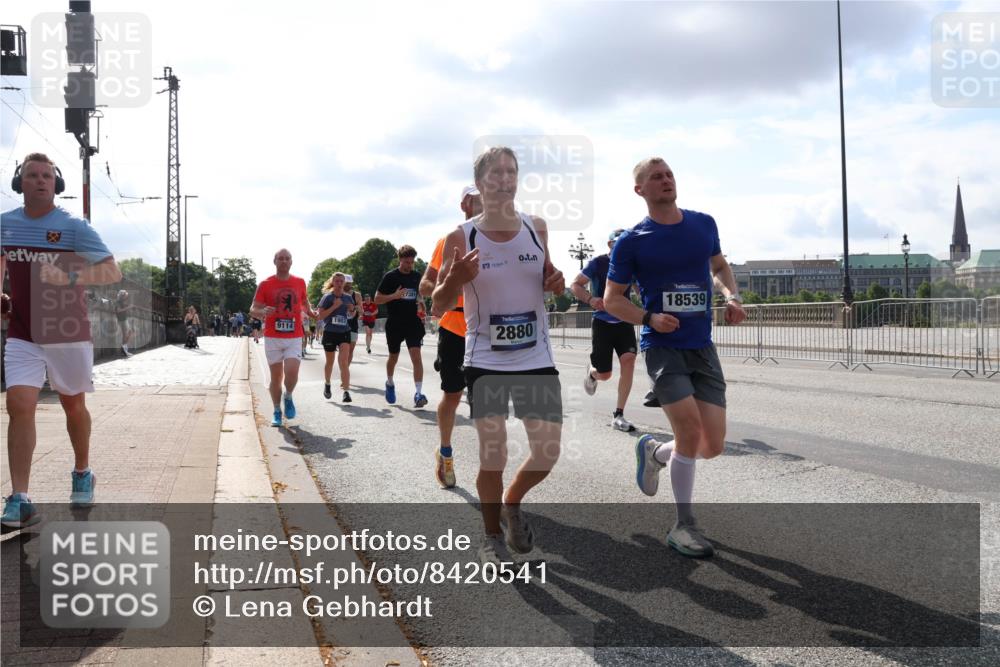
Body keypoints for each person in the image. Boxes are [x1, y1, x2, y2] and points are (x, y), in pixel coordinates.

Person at [604, 157, 746, 559]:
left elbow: (718, 265)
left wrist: (731, 296)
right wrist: (648, 317)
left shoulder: (703, 224)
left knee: (712, 444)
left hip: (702, 346)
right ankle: (684, 526)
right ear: (640, 190)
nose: (665, 180)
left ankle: (654, 452)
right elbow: (613, 299)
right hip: (662, 347)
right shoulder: (633, 241)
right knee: (688, 432)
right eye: (655, 177)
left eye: (669, 174)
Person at [432, 147, 565, 564]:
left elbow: (549, 279)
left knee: (547, 452)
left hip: (536, 358)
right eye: (496, 173)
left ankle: (512, 501)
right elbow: (437, 305)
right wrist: (455, 278)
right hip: (485, 360)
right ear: (481, 181)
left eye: (511, 172)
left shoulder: (536, 227)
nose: (505, 179)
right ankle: (494, 538)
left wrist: (555, 282)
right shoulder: (460, 236)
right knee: (495, 454)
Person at [1, 153, 123, 527]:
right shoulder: (5, 225)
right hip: (23, 330)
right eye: (32, 175)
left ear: (57, 185)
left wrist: (68, 278)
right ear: (19, 182)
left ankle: (82, 471)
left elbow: (111, 271)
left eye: (47, 176)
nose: (40, 181)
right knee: (19, 404)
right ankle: (20, 498)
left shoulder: (73, 227)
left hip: (66, 330)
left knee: (73, 406)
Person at [420, 184, 482, 489]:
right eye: (477, 199)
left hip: (486, 331)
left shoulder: (502, 240)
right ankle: (445, 452)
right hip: (455, 327)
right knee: (453, 394)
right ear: (465, 205)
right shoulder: (449, 241)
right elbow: (425, 285)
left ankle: (490, 476)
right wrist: (446, 291)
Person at [571, 228, 639, 432]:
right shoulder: (598, 263)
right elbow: (575, 285)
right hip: (602, 322)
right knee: (605, 375)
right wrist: (591, 299)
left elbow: (639, 287)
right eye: (618, 243)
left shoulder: (631, 264)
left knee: (629, 361)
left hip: (624, 319)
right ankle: (592, 373)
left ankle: (619, 414)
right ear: (610, 245)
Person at [249, 248, 317, 427]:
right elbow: (253, 310)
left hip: (294, 335)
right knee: (276, 377)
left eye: (287, 258)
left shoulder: (300, 282)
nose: (284, 261)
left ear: (291, 262)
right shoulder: (265, 284)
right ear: (275, 261)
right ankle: (277, 410)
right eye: (281, 258)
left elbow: (304, 301)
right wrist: (262, 311)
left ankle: (288, 396)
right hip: (273, 336)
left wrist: (311, 312)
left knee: (292, 372)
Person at [375, 245, 427, 408]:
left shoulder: (417, 276)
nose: (409, 265)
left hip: (412, 322)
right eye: (406, 262)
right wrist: (394, 296)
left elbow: (419, 293)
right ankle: (390, 382)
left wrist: (421, 301)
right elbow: (377, 298)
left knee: (416, 357)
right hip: (395, 323)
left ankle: (418, 393)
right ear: (400, 260)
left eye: (411, 262)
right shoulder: (391, 277)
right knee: (393, 357)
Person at [317, 272, 355, 403]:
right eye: (337, 281)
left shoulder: (348, 298)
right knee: (330, 362)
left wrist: (352, 310)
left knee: (343, 362)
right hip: (330, 332)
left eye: (341, 281)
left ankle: (346, 391)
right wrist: (334, 306)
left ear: (344, 283)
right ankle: (327, 383)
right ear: (333, 282)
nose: (339, 283)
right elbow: (320, 316)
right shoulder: (327, 298)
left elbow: (351, 315)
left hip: (344, 332)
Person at [345, 277, 362, 364]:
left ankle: (345, 369)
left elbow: (361, 311)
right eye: (346, 283)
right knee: (343, 351)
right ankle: (344, 370)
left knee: (350, 351)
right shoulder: (337, 294)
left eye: (349, 283)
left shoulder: (357, 295)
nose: (347, 285)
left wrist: (355, 308)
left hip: (353, 326)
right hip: (340, 326)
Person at [115, 289, 134, 357]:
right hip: (122, 320)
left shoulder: (122, 301)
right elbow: (118, 310)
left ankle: (124, 348)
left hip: (124, 319)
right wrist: (128, 307)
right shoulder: (118, 301)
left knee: (128, 333)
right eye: (125, 296)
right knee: (126, 334)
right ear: (122, 296)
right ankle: (124, 350)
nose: (126, 297)